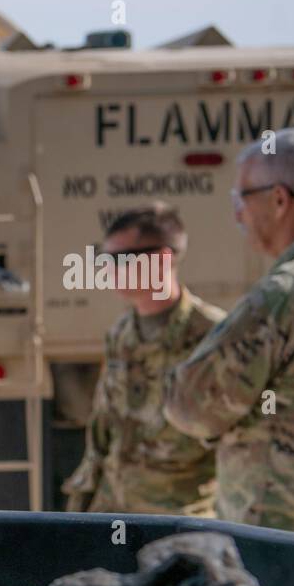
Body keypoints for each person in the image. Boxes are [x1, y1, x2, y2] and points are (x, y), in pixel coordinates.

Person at [165, 127, 294, 533]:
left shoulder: (292, 291)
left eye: (241, 199)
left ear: (280, 200)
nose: (237, 213)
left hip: (287, 538)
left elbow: (193, 405)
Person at [62, 203, 223, 515]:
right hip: (112, 513)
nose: (108, 270)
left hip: (178, 519)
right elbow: (104, 432)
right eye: (104, 259)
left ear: (162, 259)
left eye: (120, 259)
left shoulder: (212, 336)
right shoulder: (121, 333)